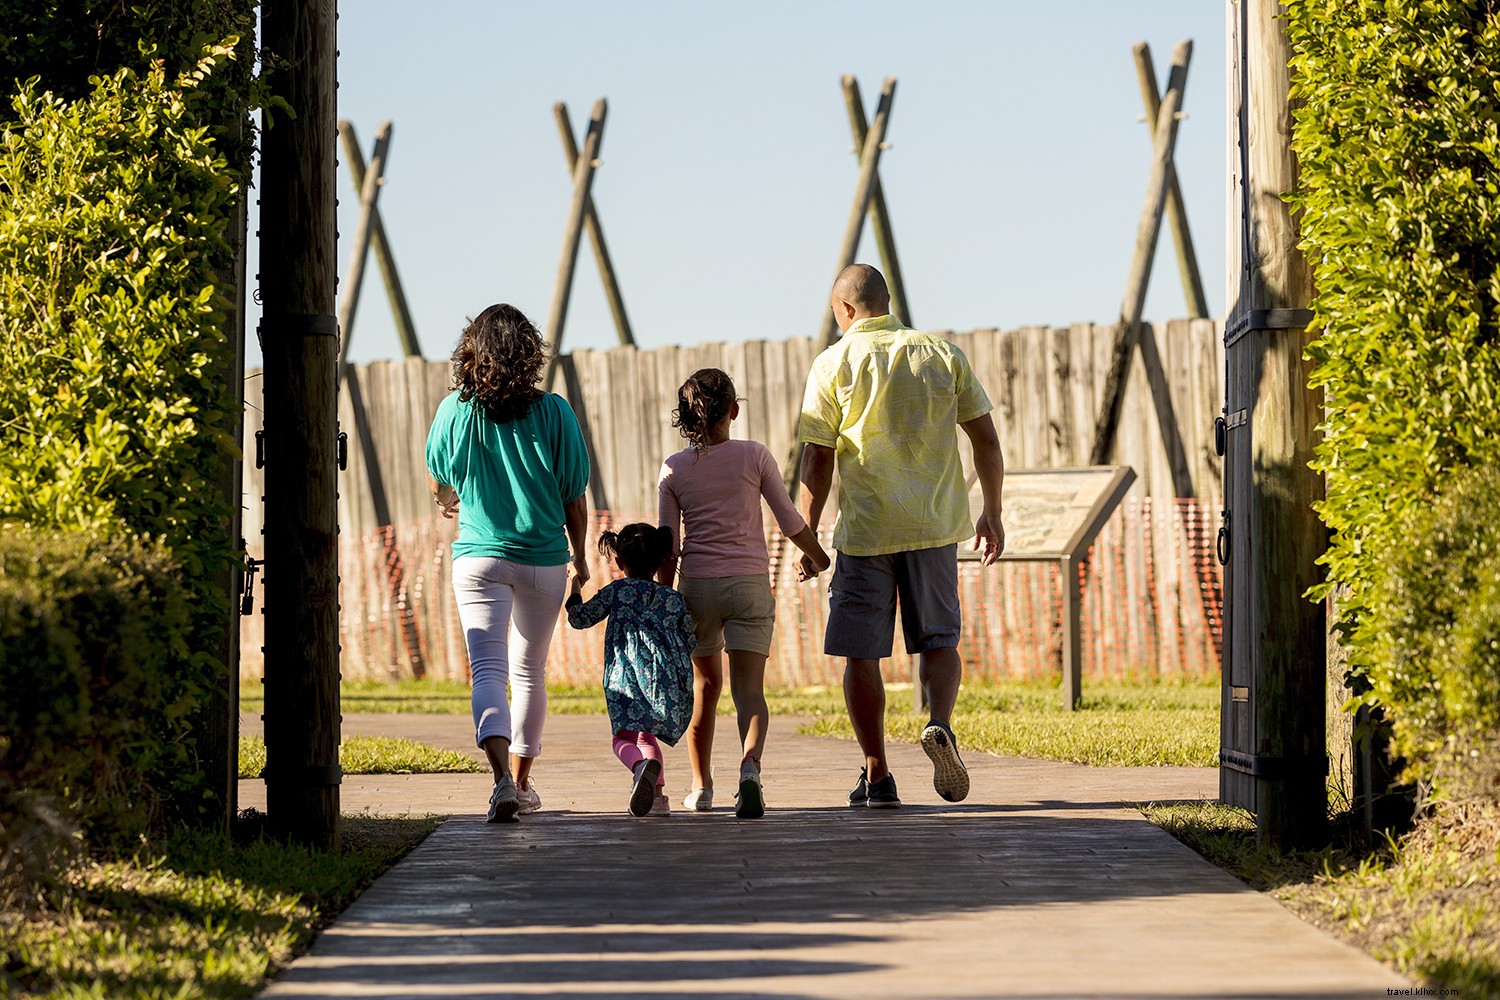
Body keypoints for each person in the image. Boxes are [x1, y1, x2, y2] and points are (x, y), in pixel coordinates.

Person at [796, 263, 1006, 809]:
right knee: (939, 640)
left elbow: (817, 460)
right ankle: (939, 724)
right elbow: (985, 439)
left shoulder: (832, 363)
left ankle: (878, 774)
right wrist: (993, 512)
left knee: (860, 655)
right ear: (886, 303)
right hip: (935, 526)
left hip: (866, 532)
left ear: (844, 310)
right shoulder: (941, 354)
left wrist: (807, 533)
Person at [425, 303, 591, 824]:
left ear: (472, 351)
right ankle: (519, 783)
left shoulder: (456, 409)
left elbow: (438, 478)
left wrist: (447, 498)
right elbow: (574, 499)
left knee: (488, 670)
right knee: (529, 671)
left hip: (478, 558)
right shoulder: (555, 411)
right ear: (529, 353)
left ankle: (499, 780)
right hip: (543, 561)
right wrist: (581, 559)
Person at [657, 369, 831, 819]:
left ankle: (701, 787)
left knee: (705, 687)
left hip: (696, 588)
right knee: (749, 692)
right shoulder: (754, 456)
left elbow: (667, 545)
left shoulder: (674, 469)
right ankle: (750, 768)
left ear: (685, 418)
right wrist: (819, 557)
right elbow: (789, 519)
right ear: (734, 410)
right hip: (749, 585)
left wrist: (663, 599)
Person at [565, 523, 696, 817]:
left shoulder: (618, 591)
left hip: (625, 679)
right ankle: (658, 800)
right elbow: (690, 639)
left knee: (624, 739)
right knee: (646, 737)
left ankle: (638, 768)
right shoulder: (672, 599)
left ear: (620, 562)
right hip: (663, 679)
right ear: (661, 560)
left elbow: (579, 618)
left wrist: (574, 585)